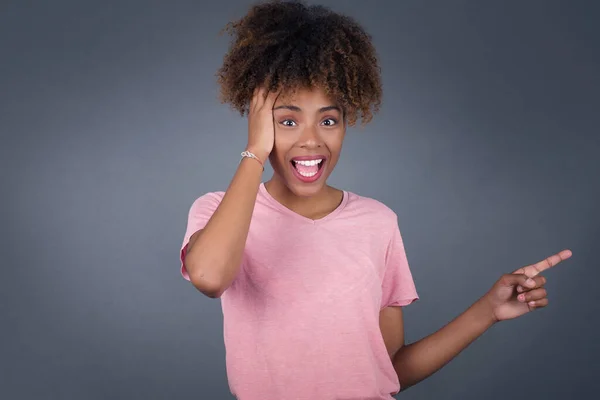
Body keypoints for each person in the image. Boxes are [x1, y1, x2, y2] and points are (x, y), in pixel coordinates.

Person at [178, 1, 572, 399]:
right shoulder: (217, 210)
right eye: (288, 120)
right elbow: (209, 277)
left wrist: (489, 310)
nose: (312, 139)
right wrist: (255, 152)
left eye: (328, 120)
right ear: (259, 123)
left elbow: (389, 369)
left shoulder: (377, 222)